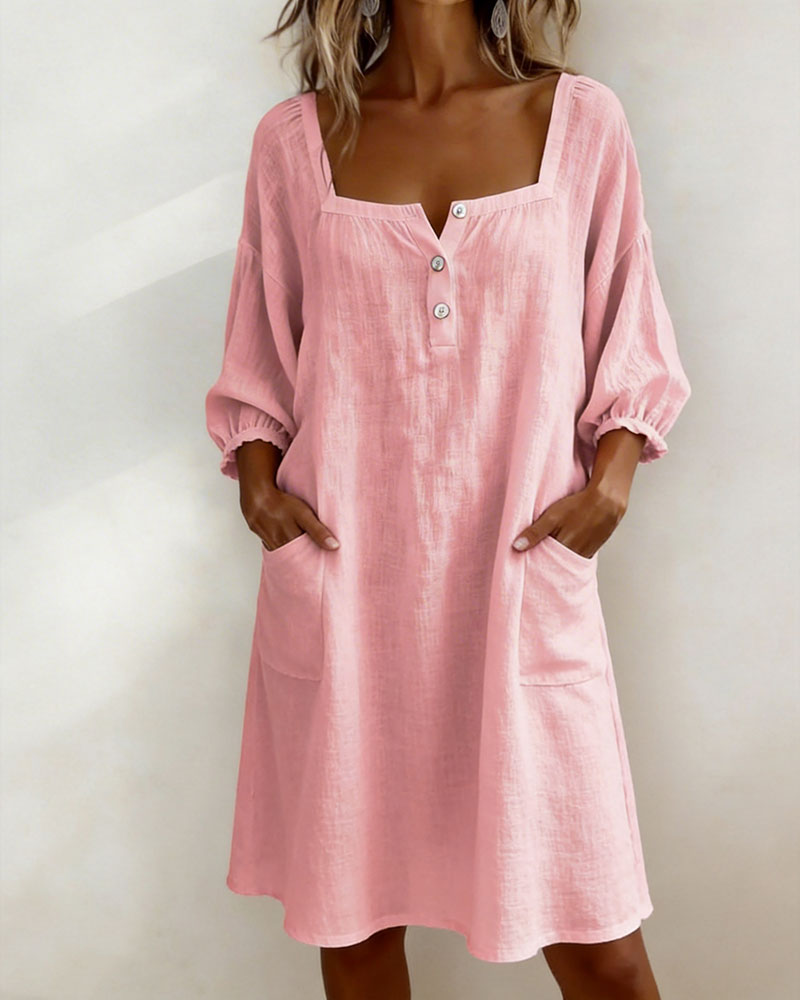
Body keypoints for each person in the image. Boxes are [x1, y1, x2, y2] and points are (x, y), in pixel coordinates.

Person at [204, 0, 691, 993]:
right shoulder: (296, 141)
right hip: (347, 586)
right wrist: (259, 489)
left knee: (599, 947)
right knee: (356, 928)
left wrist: (610, 482)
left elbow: (627, 324)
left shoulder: (576, 122)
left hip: (518, 582)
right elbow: (259, 352)